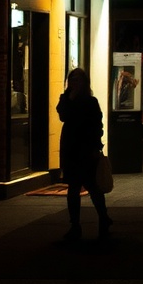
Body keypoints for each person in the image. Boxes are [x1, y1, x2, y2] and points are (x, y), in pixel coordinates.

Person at [56, 66, 113, 241]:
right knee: (73, 188)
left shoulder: (91, 101)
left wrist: (96, 146)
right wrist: (68, 97)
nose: (74, 83)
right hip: (71, 149)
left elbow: (97, 125)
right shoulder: (65, 98)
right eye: (71, 79)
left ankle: (103, 218)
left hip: (86, 149)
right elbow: (63, 115)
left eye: (77, 80)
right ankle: (75, 225)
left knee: (93, 186)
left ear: (84, 82)